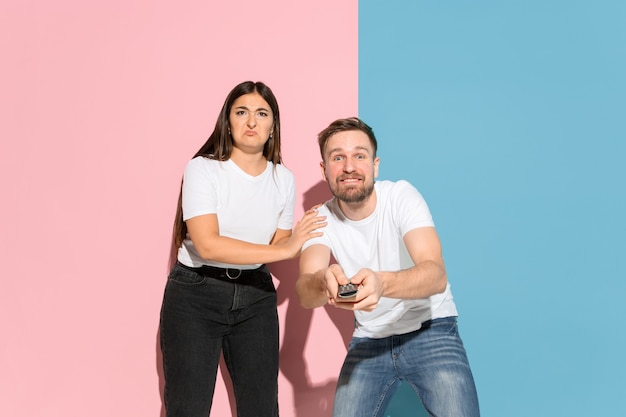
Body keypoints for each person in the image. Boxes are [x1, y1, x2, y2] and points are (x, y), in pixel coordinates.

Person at [159, 80, 325, 417]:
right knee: (187, 409)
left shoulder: (283, 178)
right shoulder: (202, 168)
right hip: (195, 294)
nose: (252, 121)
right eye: (242, 112)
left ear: (272, 127)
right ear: (228, 121)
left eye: (262, 113)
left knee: (262, 410)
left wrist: (305, 243)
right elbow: (207, 244)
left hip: (255, 296)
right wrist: (286, 249)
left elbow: (281, 244)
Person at [296, 117, 480, 417]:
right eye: (337, 157)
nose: (349, 167)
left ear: (375, 165)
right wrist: (322, 280)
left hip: (430, 330)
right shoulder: (320, 218)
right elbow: (305, 290)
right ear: (324, 169)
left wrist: (382, 284)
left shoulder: (401, 197)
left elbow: (435, 273)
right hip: (368, 341)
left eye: (359, 156)